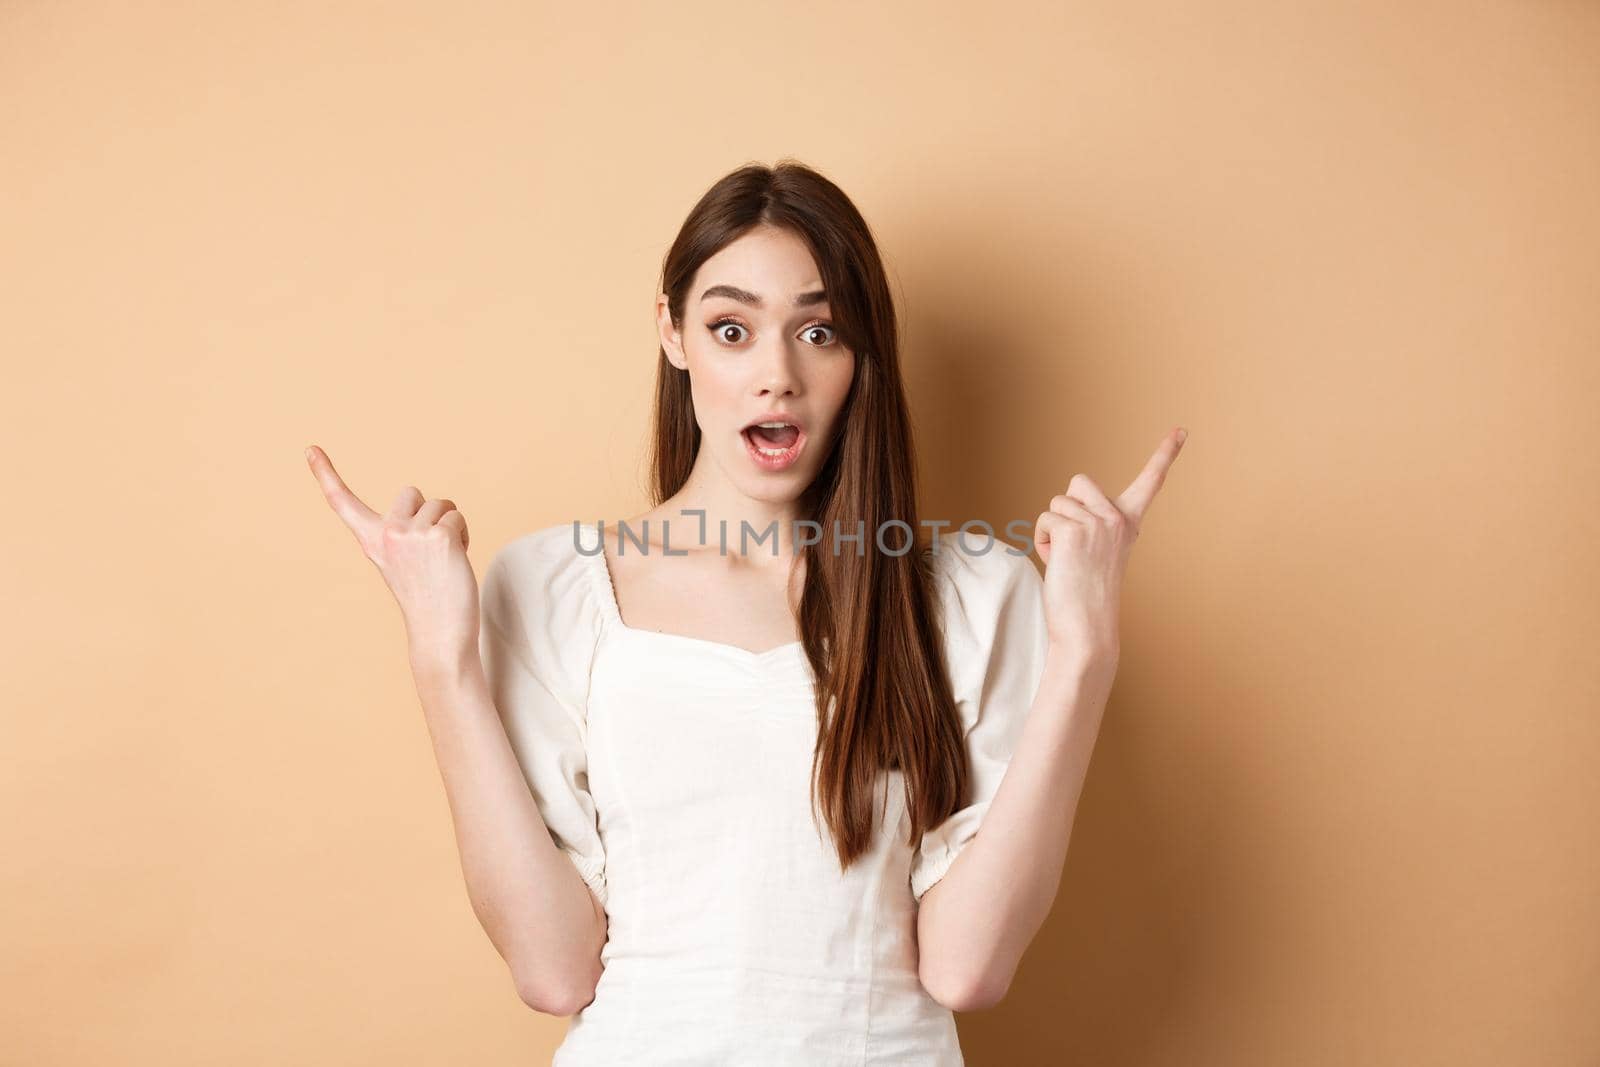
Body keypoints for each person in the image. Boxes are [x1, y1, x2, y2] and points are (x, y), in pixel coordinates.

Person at [306, 159, 1186, 1065]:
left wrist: (1085, 657)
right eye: (732, 328)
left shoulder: (972, 594)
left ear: (863, 353)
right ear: (673, 332)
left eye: (819, 331)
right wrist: (439, 656)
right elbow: (553, 969)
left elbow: (966, 969)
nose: (777, 375)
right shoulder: (552, 586)